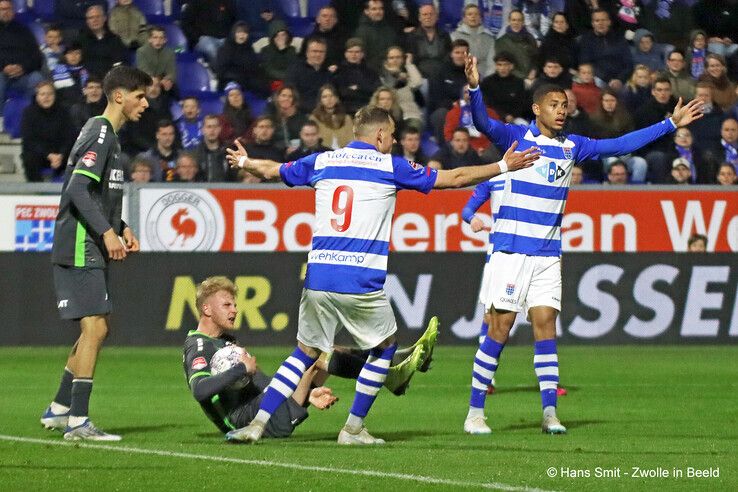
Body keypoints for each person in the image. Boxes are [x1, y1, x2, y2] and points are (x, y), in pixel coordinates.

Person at [223, 105, 541, 444]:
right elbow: (455, 179)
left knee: (304, 352)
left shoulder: (321, 161)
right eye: (390, 135)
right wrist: (505, 165)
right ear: (379, 135)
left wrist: (244, 162)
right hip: (360, 278)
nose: (393, 141)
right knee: (385, 348)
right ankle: (353, 428)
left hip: (319, 276)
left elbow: (272, 170)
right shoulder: (389, 166)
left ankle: (256, 425)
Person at [463, 54, 703, 435]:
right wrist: (475, 88)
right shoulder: (516, 137)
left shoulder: (572, 146)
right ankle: (475, 413)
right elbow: (480, 122)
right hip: (510, 251)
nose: (562, 111)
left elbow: (621, 144)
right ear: (536, 108)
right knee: (501, 328)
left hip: (546, 255)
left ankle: (549, 413)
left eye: (565, 106)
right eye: (555, 105)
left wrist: (670, 123)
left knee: (546, 326)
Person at [41, 65, 151, 441]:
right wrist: (106, 233)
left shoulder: (111, 138)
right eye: (140, 95)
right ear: (119, 95)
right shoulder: (101, 132)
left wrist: (121, 227)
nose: (146, 103)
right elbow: (76, 188)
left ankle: (59, 409)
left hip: (89, 241)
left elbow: (100, 194)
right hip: (80, 243)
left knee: (97, 328)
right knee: (97, 327)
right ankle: (78, 422)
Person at [184, 276, 436, 438]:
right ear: (206, 308)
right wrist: (240, 369)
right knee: (317, 356)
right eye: (227, 305)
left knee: (327, 351)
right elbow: (199, 390)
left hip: (261, 407)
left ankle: (390, 365)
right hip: (245, 420)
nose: (235, 310)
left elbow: (258, 381)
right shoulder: (198, 345)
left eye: (234, 304)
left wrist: (303, 393)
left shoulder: (225, 342)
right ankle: (389, 371)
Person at [20, 81, 75, 182]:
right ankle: (36, 190)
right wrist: (48, 155)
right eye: (42, 94)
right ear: (37, 96)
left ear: (55, 95)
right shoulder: (29, 113)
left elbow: (69, 137)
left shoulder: (64, 112)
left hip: (61, 154)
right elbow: (29, 140)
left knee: (75, 154)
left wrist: (61, 155)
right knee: (29, 157)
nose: (46, 97)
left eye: (50, 94)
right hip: (40, 154)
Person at [0, 0, 44, 117]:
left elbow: (36, 56)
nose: (5, 12)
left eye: (8, 9)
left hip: (23, 75)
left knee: (37, 78)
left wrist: (22, 68)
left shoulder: (24, 31)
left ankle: (27, 117)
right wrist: (4, 67)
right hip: (1, 74)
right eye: (2, 9)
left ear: (13, 11)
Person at [577, 9, 633, 90]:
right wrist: (608, 80)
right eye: (597, 20)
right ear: (592, 24)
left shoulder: (619, 38)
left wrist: (620, 79)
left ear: (609, 22)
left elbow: (628, 63)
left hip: (621, 80)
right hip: (599, 79)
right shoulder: (586, 40)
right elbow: (586, 64)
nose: (600, 23)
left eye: (603, 20)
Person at [214, 22, 269, 96]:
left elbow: (254, 67)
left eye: (245, 33)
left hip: (247, 80)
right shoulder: (225, 49)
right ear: (233, 33)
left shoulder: (249, 49)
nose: (242, 35)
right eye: (239, 32)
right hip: (230, 81)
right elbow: (221, 71)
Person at [75, 5, 129, 78]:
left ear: (104, 18)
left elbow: (121, 63)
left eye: (98, 17)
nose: (95, 20)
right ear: (87, 21)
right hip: (88, 81)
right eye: (91, 18)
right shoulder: (80, 40)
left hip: (110, 80)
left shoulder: (115, 39)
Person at [332, 38, 380, 115]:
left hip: (367, 110)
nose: (353, 55)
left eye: (357, 52)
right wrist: (363, 90)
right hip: (345, 111)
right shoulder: (339, 71)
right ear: (345, 54)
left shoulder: (371, 72)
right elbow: (341, 93)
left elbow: (376, 90)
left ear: (362, 54)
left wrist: (358, 88)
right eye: (350, 52)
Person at [353, 0, 399, 72]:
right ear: (366, 11)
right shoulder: (361, 32)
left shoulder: (390, 29)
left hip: (392, 69)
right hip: (371, 73)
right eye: (374, 9)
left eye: (380, 8)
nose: (378, 12)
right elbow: (362, 57)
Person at [451, 4, 495, 78]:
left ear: (480, 18)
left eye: (476, 14)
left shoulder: (489, 39)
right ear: (464, 18)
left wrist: (487, 79)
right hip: (460, 77)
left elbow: (492, 64)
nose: (473, 17)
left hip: (484, 78)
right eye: (469, 14)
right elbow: (452, 62)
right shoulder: (454, 36)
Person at [494, 9, 539, 82]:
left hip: (531, 79)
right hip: (511, 80)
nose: (516, 22)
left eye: (519, 20)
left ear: (523, 22)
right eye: (514, 20)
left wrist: (534, 70)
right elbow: (503, 64)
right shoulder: (501, 42)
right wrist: (524, 78)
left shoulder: (530, 38)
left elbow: (536, 58)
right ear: (509, 21)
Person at [135, 26, 177, 96]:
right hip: (146, 81)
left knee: (171, 89)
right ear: (149, 39)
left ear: (165, 40)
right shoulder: (141, 51)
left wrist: (168, 79)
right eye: (155, 37)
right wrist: (155, 80)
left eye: (161, 38)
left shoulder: (170, 53)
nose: (158, 41)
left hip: (162, 82)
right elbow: (143, 70)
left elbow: (171, 71)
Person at [310, 84, 353, 150]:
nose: (329, 99)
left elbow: (352, 140)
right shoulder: (314, 118)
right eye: (325, 97)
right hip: (322, 155)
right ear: (320, 100)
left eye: (331, 96)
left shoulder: (346, 118)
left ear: (336, 98)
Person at [193, 115, 234, 182]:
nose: (212, 130)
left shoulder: (229, 151)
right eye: (209, 127)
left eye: (215, 127)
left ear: (219, 129)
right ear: (203, 130)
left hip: (226, 190)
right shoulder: (196, 153)